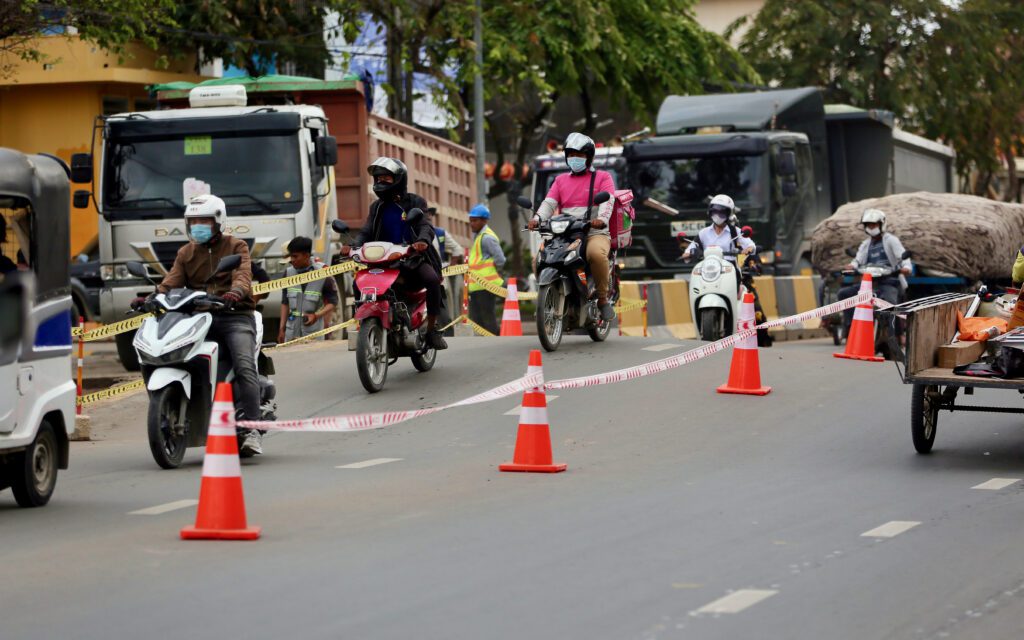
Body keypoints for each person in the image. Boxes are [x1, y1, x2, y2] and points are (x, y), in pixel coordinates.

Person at [143, 194, 265, 456]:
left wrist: (236, 292)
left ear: (218, 221)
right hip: (198, 316)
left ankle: (253, 428)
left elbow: (243, 275)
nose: (197, 225)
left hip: (234, 315)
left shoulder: (236, 246)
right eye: (193, 220)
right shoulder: (186, 252)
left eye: (204, 220)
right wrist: (152, 297)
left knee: (244, 365)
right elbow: (171, 281)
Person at [341, 157, 448, 349]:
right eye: (378, 178)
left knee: (432, 280)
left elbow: (425, 226)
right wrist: (353, 245)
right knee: (359, 283)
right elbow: (366, 231)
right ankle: (367, 324)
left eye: (386, 178)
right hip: (383, 261)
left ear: (399, 179)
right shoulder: (377, 207)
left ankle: (432, 329)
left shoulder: (415, 202)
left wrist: (422, 242)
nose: (381, 182)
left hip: (411, 258)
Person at [528, 132, 617, 320]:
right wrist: (536, 219)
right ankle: (550, 295)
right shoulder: (560, 180)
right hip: (565, 233)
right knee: (538, 260)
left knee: (596, 254)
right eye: (571, 155)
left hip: (594, 231)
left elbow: (608, 201)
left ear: (589, 157)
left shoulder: (603, 177)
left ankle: (602, 299)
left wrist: (601, 219)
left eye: (580, 155)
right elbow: (549, 204)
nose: (574, 159)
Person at [838, 208, 911, 333]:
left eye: (874, 224)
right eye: (869, 225)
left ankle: (897, 334)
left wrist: (906, 268)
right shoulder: (865, 244)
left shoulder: (891, 240)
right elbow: (857, 260)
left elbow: (902, 256)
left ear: (882, 224)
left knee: (891, 303)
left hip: (889, 281)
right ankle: (851, 328)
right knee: (844, 294)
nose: (871, 227)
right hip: (869, 283)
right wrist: (851, 266)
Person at [277, 236, 338, 343]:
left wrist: (316, 316)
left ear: (306, 255)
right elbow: (285, 303)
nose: (292, 260)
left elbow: (333, 301)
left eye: (295, 256)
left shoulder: (323, 272)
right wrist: (281, 328)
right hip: (292, 332)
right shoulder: (288, 274)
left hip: (314, 331)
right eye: (291, 257)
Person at [682, 194, 755, 277]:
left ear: (729, 214)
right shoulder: (703, 233)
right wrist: (687, 254)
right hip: (708, 272)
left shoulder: (735, 232)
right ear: (710, 211)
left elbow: (751, 245)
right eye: (714, 211)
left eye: (722, 212)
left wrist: (748, 249)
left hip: (730, 272)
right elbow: (690, 249)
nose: (717, 215)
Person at [467, 203, 506, 335]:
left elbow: (500, 259)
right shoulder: (478, 237)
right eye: (471, 221)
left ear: (484, 220)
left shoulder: (487, 238)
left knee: (488, 318)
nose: (472, 224)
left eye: (475, 221)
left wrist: (495, 271)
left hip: (486, 286)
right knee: (478, 320)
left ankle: (494, 341)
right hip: (477, 287)